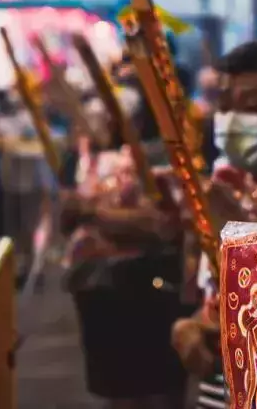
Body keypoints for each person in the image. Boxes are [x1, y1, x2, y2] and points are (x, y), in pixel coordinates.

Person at [171, 38, 257, 409]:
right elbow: (209, 297)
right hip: (221, 390)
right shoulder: (223, 180)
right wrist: (192, 327)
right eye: (225, 107)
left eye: (252, 108)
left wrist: (244, 236)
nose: (232, 122)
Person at [61, 110, 186, 409]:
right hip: (96, 283)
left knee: (157, 385)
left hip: (147, 282)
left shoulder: (157, 157)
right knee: (115, 388)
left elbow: (160, 224)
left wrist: (95, 212)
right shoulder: (81, 160)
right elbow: (66, 216)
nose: (95, 124)